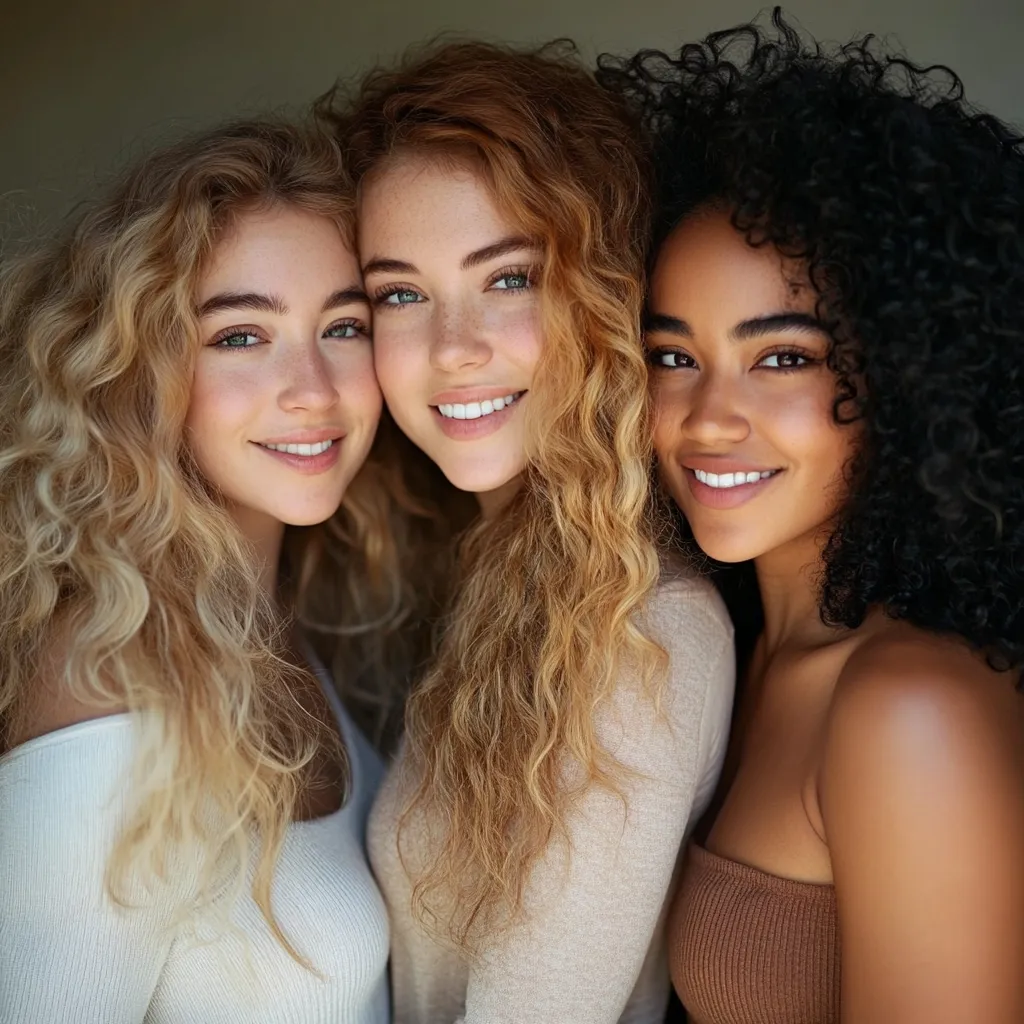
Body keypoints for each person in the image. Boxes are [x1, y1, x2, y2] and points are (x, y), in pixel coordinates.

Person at [599, 12, 1024, 1022]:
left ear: (909, 376)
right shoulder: (720, 643)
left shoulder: (907, 706)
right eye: (672, 355)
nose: (707, 416)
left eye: (781, 356)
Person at [317, 41, 736, 1023]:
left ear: (598, 294)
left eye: (507, 278)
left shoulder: (646, 631)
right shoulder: (495, 572)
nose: (453, 350)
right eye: (400, 294)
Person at [0, 118, 444, 1023]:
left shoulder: (282, 621)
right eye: (242, 335)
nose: (313, 387)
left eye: (343, 326)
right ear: (141, 366)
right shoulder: (107, 686)